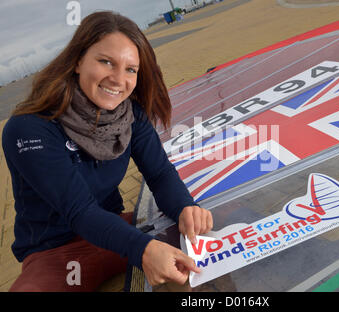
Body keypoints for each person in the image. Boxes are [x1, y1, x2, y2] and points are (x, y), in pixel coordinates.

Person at [2, 11, 213, 292]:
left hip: (116, 233)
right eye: (105, 62)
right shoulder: (29, 129)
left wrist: (185, 207)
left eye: (130, 69)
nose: (118, 79)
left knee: (218, 224)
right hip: (55, 252)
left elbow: (160, 174)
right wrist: (144, 250)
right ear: (77, 61)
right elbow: (79, 211)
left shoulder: (131, 115)